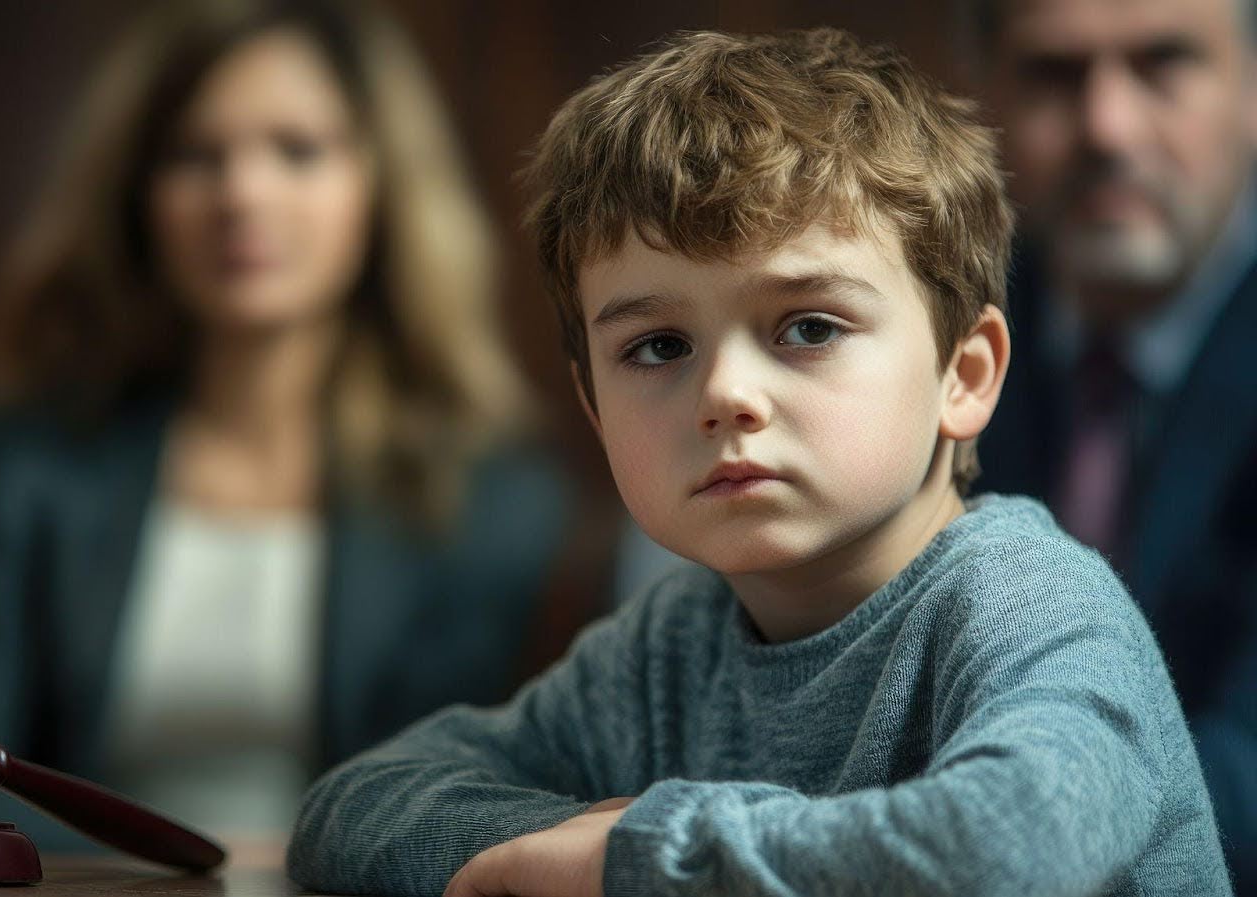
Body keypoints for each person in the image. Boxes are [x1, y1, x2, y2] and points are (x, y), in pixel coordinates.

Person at [286, 28, 1231, 896]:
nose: (724, 395)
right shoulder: (666, 649)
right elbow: (356, 806)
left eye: (807, 327)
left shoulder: (1031, 603)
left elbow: (1010, 849)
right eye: (656, 346)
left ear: (964, 373)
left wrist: (640, 854)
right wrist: (583, 841)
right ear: (592, 407)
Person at [0, 0, 571, 848]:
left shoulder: (493, 492)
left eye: (297, 150)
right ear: (139, 192)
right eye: (195, 154)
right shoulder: (32, 460)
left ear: (379, 185)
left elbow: (478, 802)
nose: (241, 193)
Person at [967, 0, 1257, 885]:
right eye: (1057, 74)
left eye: (1163, 64)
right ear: (986, 96)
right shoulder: (921, 333)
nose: (1107, 126)